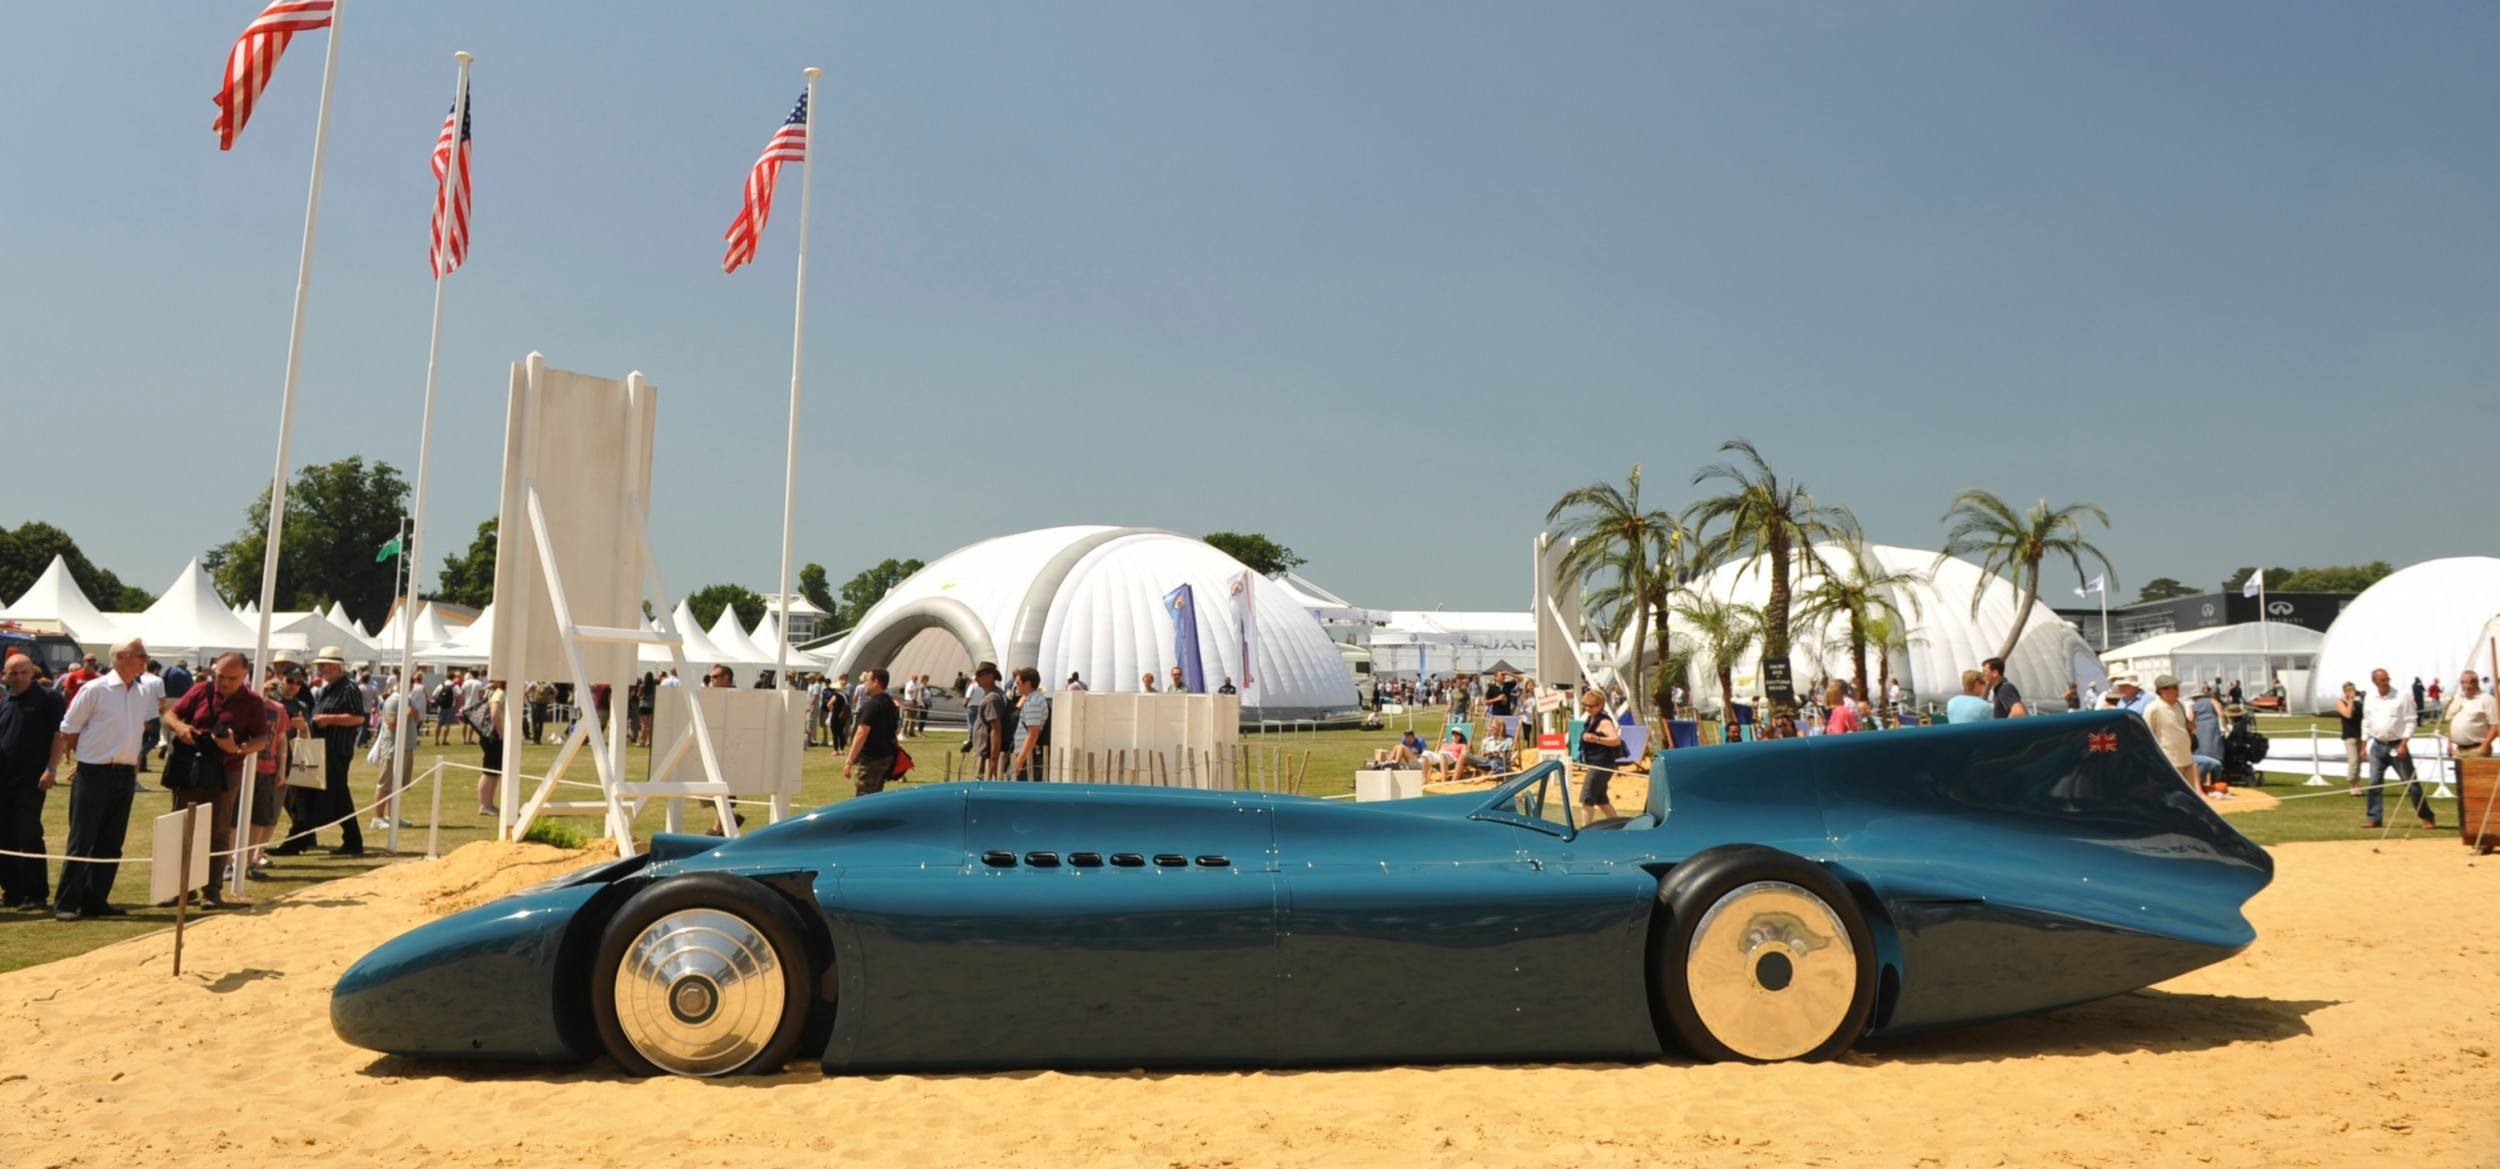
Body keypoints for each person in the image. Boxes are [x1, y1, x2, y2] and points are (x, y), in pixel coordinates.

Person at [48, 639, 167, 921]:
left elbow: (139, 732)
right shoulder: (95, 689)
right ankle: (67, 902)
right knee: (82, 838)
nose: (145, 660)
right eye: (141, 655)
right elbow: (69, 729)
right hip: (95, 771)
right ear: (122, 657)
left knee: (112, 841)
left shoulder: (141, 692)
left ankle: (95, 899)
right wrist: (83, 760)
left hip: (125, 772)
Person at [156, 651, 272, 902]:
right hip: (191, 766)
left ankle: (212, 890)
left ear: (244, 675)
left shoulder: (252, 702)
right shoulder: (200, 690)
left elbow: (261, 740)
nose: (225, 682)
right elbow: (169, 713)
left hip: (225, 770)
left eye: (232, 677)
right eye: (220, 676)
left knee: (218, 831)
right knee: (182, 826)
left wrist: (236, 748)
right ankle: (181, 888)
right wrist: (181, 727)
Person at [0, 653, 66, 910]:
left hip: (32, 780)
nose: (18, 677)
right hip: (4, 780)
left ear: (32, 672)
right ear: (5, 675)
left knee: (29, 833)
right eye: (12, 673)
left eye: (23, 672)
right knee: (5, 836)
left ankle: (36, 894)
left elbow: (58, 734)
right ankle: (13, 891)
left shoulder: (49, 698)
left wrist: (51, 768)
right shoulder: (6, 703)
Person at [299, 647, 369, 856]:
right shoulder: (327, 688)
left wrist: (329, 719)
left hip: (336, 750)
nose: (320, 669)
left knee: (338, 795)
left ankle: (352, 840)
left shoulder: (349, 688)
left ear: (337, 666)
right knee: (330, 795)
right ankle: (347, 839)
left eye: (324, 665)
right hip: (322, 749)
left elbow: (358, 718)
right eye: (319, 665)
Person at [2362, 668, 2433, 830]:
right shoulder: (2370, 698)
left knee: (2411, 784)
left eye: (2387, 679)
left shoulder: (2401, 696)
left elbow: (2411, 721)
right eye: (2382, 680)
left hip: (2397, 745)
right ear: (2375, 682)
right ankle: (2374, 817)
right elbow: (2366, 722)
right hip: (2377, 746)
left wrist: (2404, 744)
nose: (2386, 683)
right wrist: (2364, 745)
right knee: (2373, 783)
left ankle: (2427, 816)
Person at [845, 668, 901, 797]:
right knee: (875, 794)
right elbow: (893, 731)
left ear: (876, 682)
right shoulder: (890, 703)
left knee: (864, 797)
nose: (865, 684)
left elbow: (862, 733)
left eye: (867, 681)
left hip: (872, 758)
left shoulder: (873, 704)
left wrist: (849, 761)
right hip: (885, 756)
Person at [1576, 686, 1621, 821]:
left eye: (1592, 706)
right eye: (1585, 705)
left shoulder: (1604, 721)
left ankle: (1585, 831)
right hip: (1598, 763)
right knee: (1601, 800)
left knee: (1586, 798)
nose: (1588, 708)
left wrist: (1597, 739)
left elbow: (1616, 740)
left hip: (1601, 764)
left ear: (1600, 705)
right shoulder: (1591, 719)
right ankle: (1620, 826)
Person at [2144, 675, 2196, 788]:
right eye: (2174, 687)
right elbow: (2146, 734)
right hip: (2169, 759)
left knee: (2189, 794)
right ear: (2162, 690)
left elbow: (2185, 725)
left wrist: (2190, 726)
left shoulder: (2179, 705)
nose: (2178, 691)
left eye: (2177, 687)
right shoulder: (2153, 708)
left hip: (2186, 756)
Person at [1008, 667, 1051, 781]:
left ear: (1027, 684)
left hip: (1029, 757)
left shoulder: (1034, 703)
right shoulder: (1032, 699)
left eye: (1018, 683)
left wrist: (1019, 762)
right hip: (1027, 755)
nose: (1016, 685)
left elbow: (1033, 734)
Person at [2442, 670, 2495, 761]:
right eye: (2463, 683)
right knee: (2459, 775)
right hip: (2459, 750)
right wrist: (2449, 744)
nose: (2465, 686)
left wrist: (2485, 745)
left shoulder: (2486, 699)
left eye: (2469, 682)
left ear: (2476, 683)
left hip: (2477, 750)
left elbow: (2495, 725)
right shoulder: (2459, 698)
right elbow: (2452, 721)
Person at [2189, 686, 2229, 796]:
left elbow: (2191, 719)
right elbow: (2220, 713)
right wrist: (2225, 726)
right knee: (2215, 751)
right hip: (2212, 727)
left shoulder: (2193, 706)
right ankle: (2215, 781)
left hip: (2199, 730)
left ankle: (2202, 782)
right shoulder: (2212, 701)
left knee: (2201, 753)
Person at [2334, 681, 2366, 797]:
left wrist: (2363, 699)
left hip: (2360, 735)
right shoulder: (2340, 702)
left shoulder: (2358, 703)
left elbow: (2365, 715)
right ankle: (2352, 784)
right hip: (2349, 736)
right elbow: (2348, 715)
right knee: (2353, 761)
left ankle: (2357, 785)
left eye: (2353, 690)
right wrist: (2350, 701)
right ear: (2345, 691)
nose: (2352, 692)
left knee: (2359, 762)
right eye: (2349, 690)